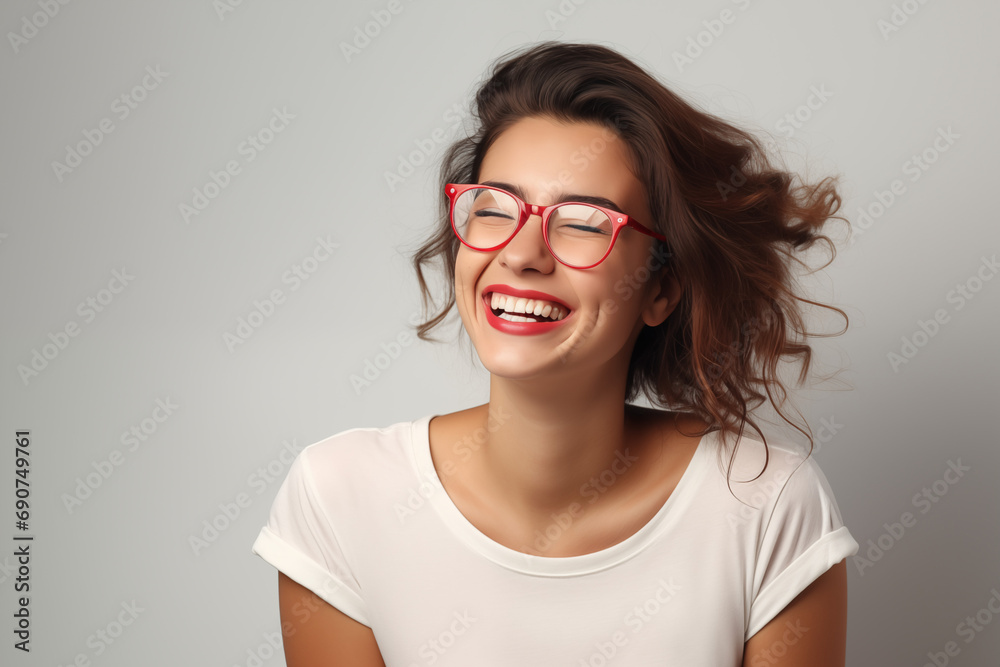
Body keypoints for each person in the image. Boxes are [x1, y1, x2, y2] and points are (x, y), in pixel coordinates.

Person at [252, 41, 859, 666]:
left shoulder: (763, 506)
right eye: (494, 209)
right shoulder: (342, 498)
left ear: (660, 288)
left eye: (584, 223)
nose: (522, 254)